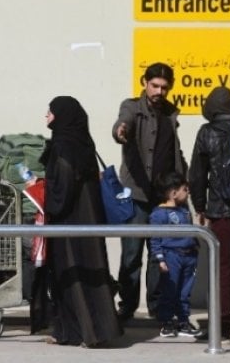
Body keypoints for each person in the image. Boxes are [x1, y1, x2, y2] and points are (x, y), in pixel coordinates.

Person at [40, 96, 122, 347]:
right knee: (91, 273)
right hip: (88, 218)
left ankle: (85, 332)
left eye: (50, 111)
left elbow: (62, 186)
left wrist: (44, 195)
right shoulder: (83, 142)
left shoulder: (63, 145)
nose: (46, 116)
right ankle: (80, 331)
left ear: (62, 115)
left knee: (72, 273)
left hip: (70, 221)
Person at [112, 62, 186, 321]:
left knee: (159, 256)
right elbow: (124, 123)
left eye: (164, 87)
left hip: (164, 198)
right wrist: (120, 131)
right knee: (131, 254)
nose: (159, 91)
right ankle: (127, 305)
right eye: (154, 86)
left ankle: (156, 307)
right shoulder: (132, 107)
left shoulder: (170, 113)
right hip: (136, 195)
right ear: (145, 83)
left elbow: (175, 153)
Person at [189, 86, 230, 342]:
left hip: (221, 212)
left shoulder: (207, 133)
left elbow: (197, 174)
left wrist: (200, 207)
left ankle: (221, 327)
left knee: (222, 270)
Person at [150, 171, 202, 338]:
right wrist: (160, 259)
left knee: (185, 292)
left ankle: (183, 321)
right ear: (173, 193)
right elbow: (155, 239)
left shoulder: (185, 210)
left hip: (189, 256)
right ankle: (166, 322)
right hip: (171, 256)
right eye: (185, 189)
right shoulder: (158, 214)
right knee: (169, 290)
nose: (188, 193)